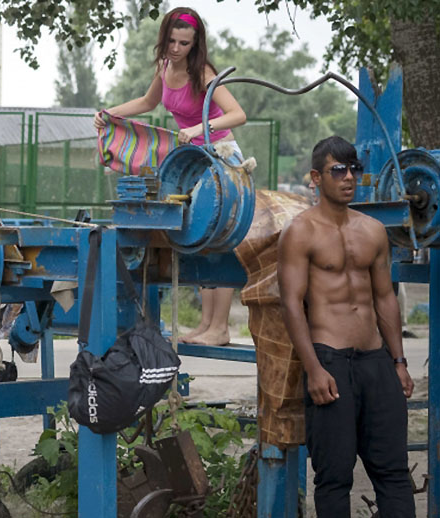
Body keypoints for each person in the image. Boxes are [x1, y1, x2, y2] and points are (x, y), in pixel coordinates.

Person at [278, 136, 415, 517]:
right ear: (315, 177)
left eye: (354, 169)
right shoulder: (301, 232)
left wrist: (399, 361)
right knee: (335, 476)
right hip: (330, 363)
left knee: (393, 472)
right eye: (338, 170)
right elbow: (291, 304)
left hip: (376, 361)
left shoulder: (372, 230)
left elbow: (384, 298)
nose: (349, 177)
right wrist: (314, 369)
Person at [94, 6, 247, 346]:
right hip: (192, 161)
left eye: (185, 43)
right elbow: (149, 102)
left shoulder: (203, 73)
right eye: (172, 41)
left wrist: (197, 128)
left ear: (196, 45)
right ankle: (206, 325)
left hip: (221, 159)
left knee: (219, 237)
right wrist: (110, 113)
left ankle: (220, 328)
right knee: (200, 239)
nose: (177, 49)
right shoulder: (164, 67)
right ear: (163, 39)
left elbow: (239, 114)